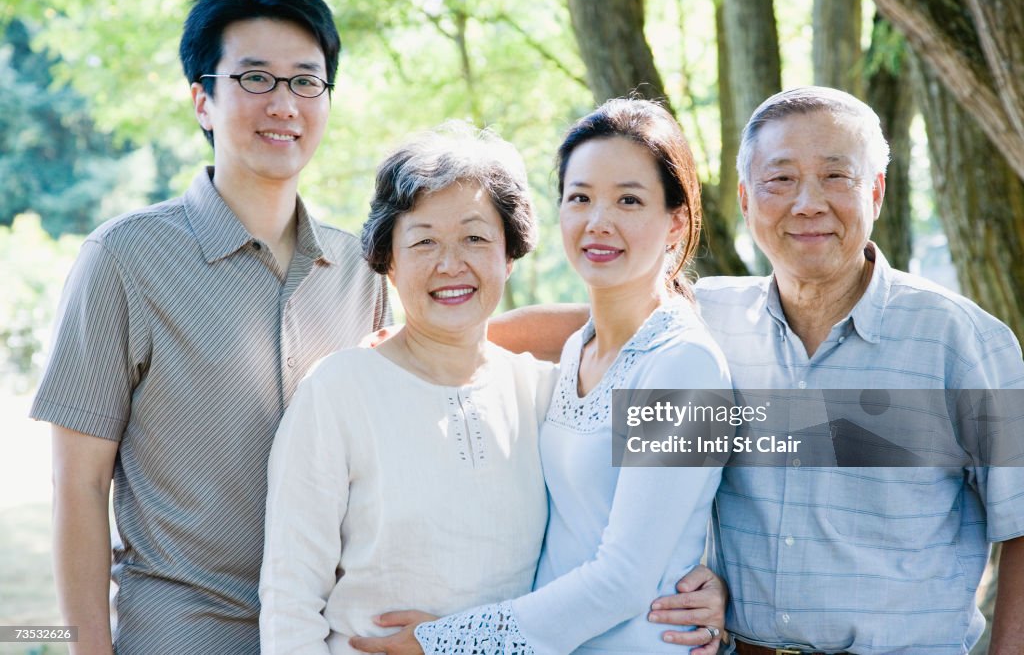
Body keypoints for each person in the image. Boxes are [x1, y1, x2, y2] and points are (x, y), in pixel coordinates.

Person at [30, 0, 389, 652]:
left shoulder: (359, 271)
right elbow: (77, 486)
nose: (283, 103)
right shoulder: (124, 259)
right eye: (255, 79)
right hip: (180, 633)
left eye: (306, 81)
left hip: (327, 635)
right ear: (203, 100)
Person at [637, 86, 1024, 653]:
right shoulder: (702, 325)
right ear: (746, 200)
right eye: (781, 179)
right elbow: (589, 331)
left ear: (877, 192)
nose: (808, 203)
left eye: (836, 177)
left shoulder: (962, 341)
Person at [352, 98, 732, 655]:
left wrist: (443, 641)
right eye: (580, 198)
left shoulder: (683, 365)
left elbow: (623, 578)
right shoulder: (580, 347)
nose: (598, 222)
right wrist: (413, 346)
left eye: (629, 200)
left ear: (675, 221)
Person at [258, 124, 558, 653]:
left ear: (508, 255)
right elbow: (290, 600)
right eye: (423, 242)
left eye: (475, 237)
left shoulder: (544, 393)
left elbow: (665, 501)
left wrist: (711, 584)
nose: (450, 264)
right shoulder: (338, 392)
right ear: (388, 261)